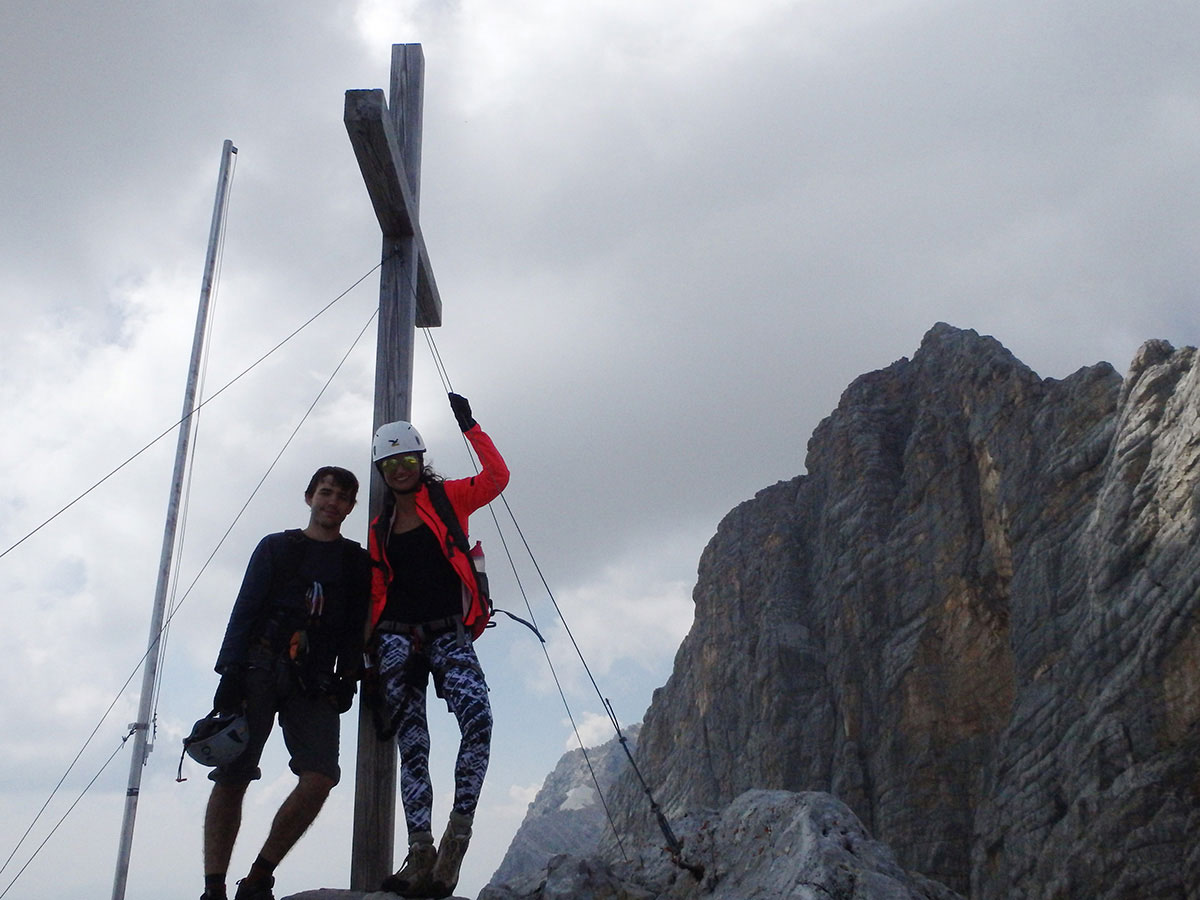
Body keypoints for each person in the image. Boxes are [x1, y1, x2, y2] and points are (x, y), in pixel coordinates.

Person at [201, 466, 371, 900]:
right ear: (309, 496)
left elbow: (355, 626)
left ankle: (258, 878)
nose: (332, 502)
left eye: (342, 497)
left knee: (320, 777)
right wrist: (230, 673)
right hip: (258, 667)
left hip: (315, 679)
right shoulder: (276, 547)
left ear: (351, 507)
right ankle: (213, 889)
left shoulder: (355, 561)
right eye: (325, 492)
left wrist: (347, 678)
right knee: (234, 774)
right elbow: (246, 608)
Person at [369, 393, 509, 899]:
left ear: (420, 461)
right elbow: (379, 587)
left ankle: (456, 838)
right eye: (392, 463)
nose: (401, 470)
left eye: (408, 460)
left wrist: (471, 426)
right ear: (383, 469)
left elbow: (497, 478)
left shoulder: (450, 498)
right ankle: (421, 852)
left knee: (479, 721)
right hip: (398, 639)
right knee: (414, 745)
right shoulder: (378, 525)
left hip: (449, 631)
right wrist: (367, 645)